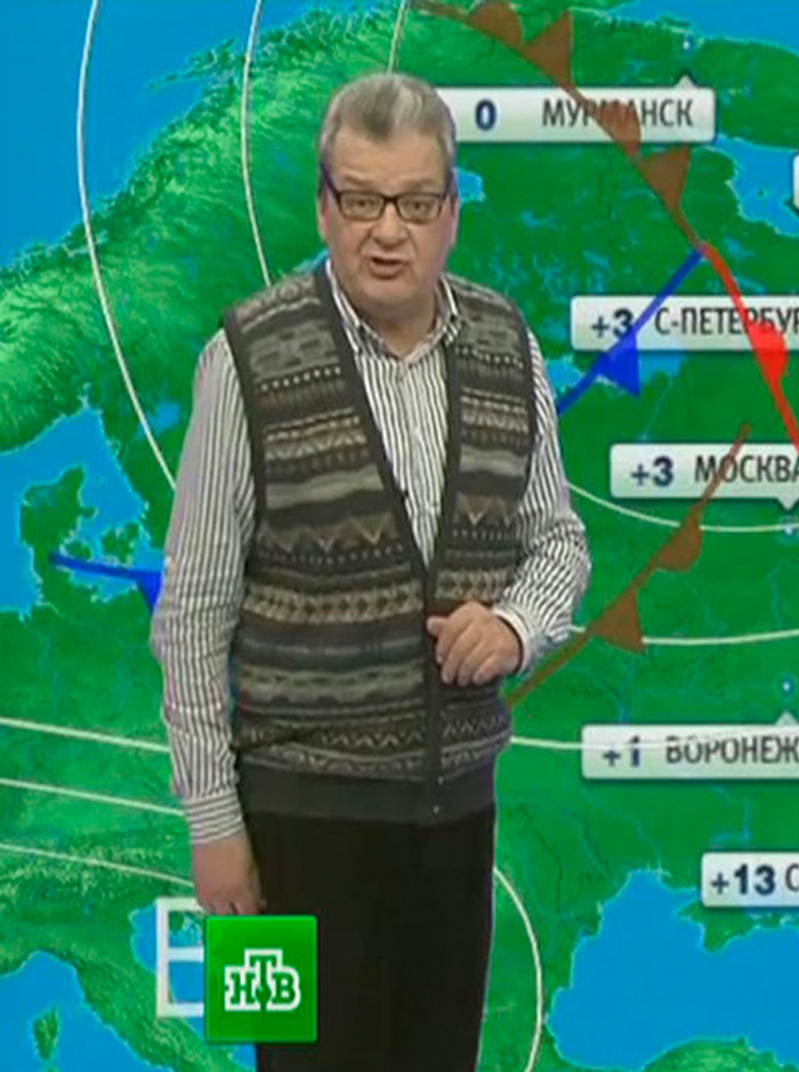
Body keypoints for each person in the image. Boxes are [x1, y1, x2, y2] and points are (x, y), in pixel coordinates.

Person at [150, 71, 592, 1071]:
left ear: (451, 213)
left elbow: (558, 541)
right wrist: (214, 826)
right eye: (360, 200)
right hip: (288, 829)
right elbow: (192, 615)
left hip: (456, 824)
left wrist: (515, 626)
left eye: (414, 203)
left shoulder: (508, 346)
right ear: (323, 209)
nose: (386, 230)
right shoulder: (243, 357)